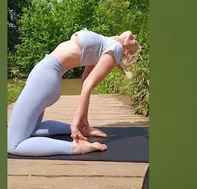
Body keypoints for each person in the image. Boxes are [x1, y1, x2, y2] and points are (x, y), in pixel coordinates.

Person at [7, 29, 141, 156]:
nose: (134, 36)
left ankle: (75, 147)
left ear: (127, 53)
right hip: (44, 78)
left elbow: (88, 86)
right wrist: (84, 124)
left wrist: (75, 123)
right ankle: (83, 130)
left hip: (44, 80)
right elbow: (84, 81)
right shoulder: (106, 43)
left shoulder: (115, 49)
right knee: (34, 129)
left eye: (135, 43)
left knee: (13, 144)